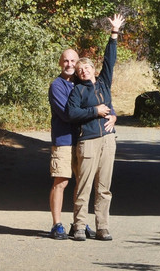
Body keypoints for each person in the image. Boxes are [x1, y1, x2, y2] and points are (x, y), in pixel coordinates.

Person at [66, 12, 125, 241]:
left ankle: (102, 227)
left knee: (104, 187)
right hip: (87, 141)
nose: (84, 71)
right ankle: (80, 226)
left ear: (93, 69)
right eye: (80, 70)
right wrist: (96, 111)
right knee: (84, 186)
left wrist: (114, 33)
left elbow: (110, 59)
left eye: (87, 68)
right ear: (78, 75)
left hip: (108, 140)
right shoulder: (77, 91)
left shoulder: (103, 83)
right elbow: (72, 113)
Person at [48, 47, 113, 239]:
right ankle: (56, 224)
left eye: (73, 61)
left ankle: (79, 223)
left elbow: (104, 100)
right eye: (66, 61)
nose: (70, 65)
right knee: (61, 181)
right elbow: (69, 115)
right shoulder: (57, 86)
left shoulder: (82, 82)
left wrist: (113, 115)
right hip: (64, 140)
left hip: (84, 139)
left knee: (82, 183)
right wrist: (95, 111)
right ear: (60, 63)